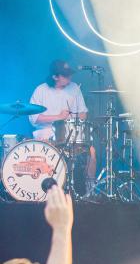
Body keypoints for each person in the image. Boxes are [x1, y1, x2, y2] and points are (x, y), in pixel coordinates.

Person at [29, 60, 97, 192]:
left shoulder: (74, 88)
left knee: (92, 152)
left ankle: (90, 190)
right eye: (65, 75)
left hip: (70, 133)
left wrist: (73, 117)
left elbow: (83, 114)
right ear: (55, 77)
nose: (69, 78)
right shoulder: (41, 90)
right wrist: (58, 117)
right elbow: (34, 118)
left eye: (69, 74)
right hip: (46, 132)